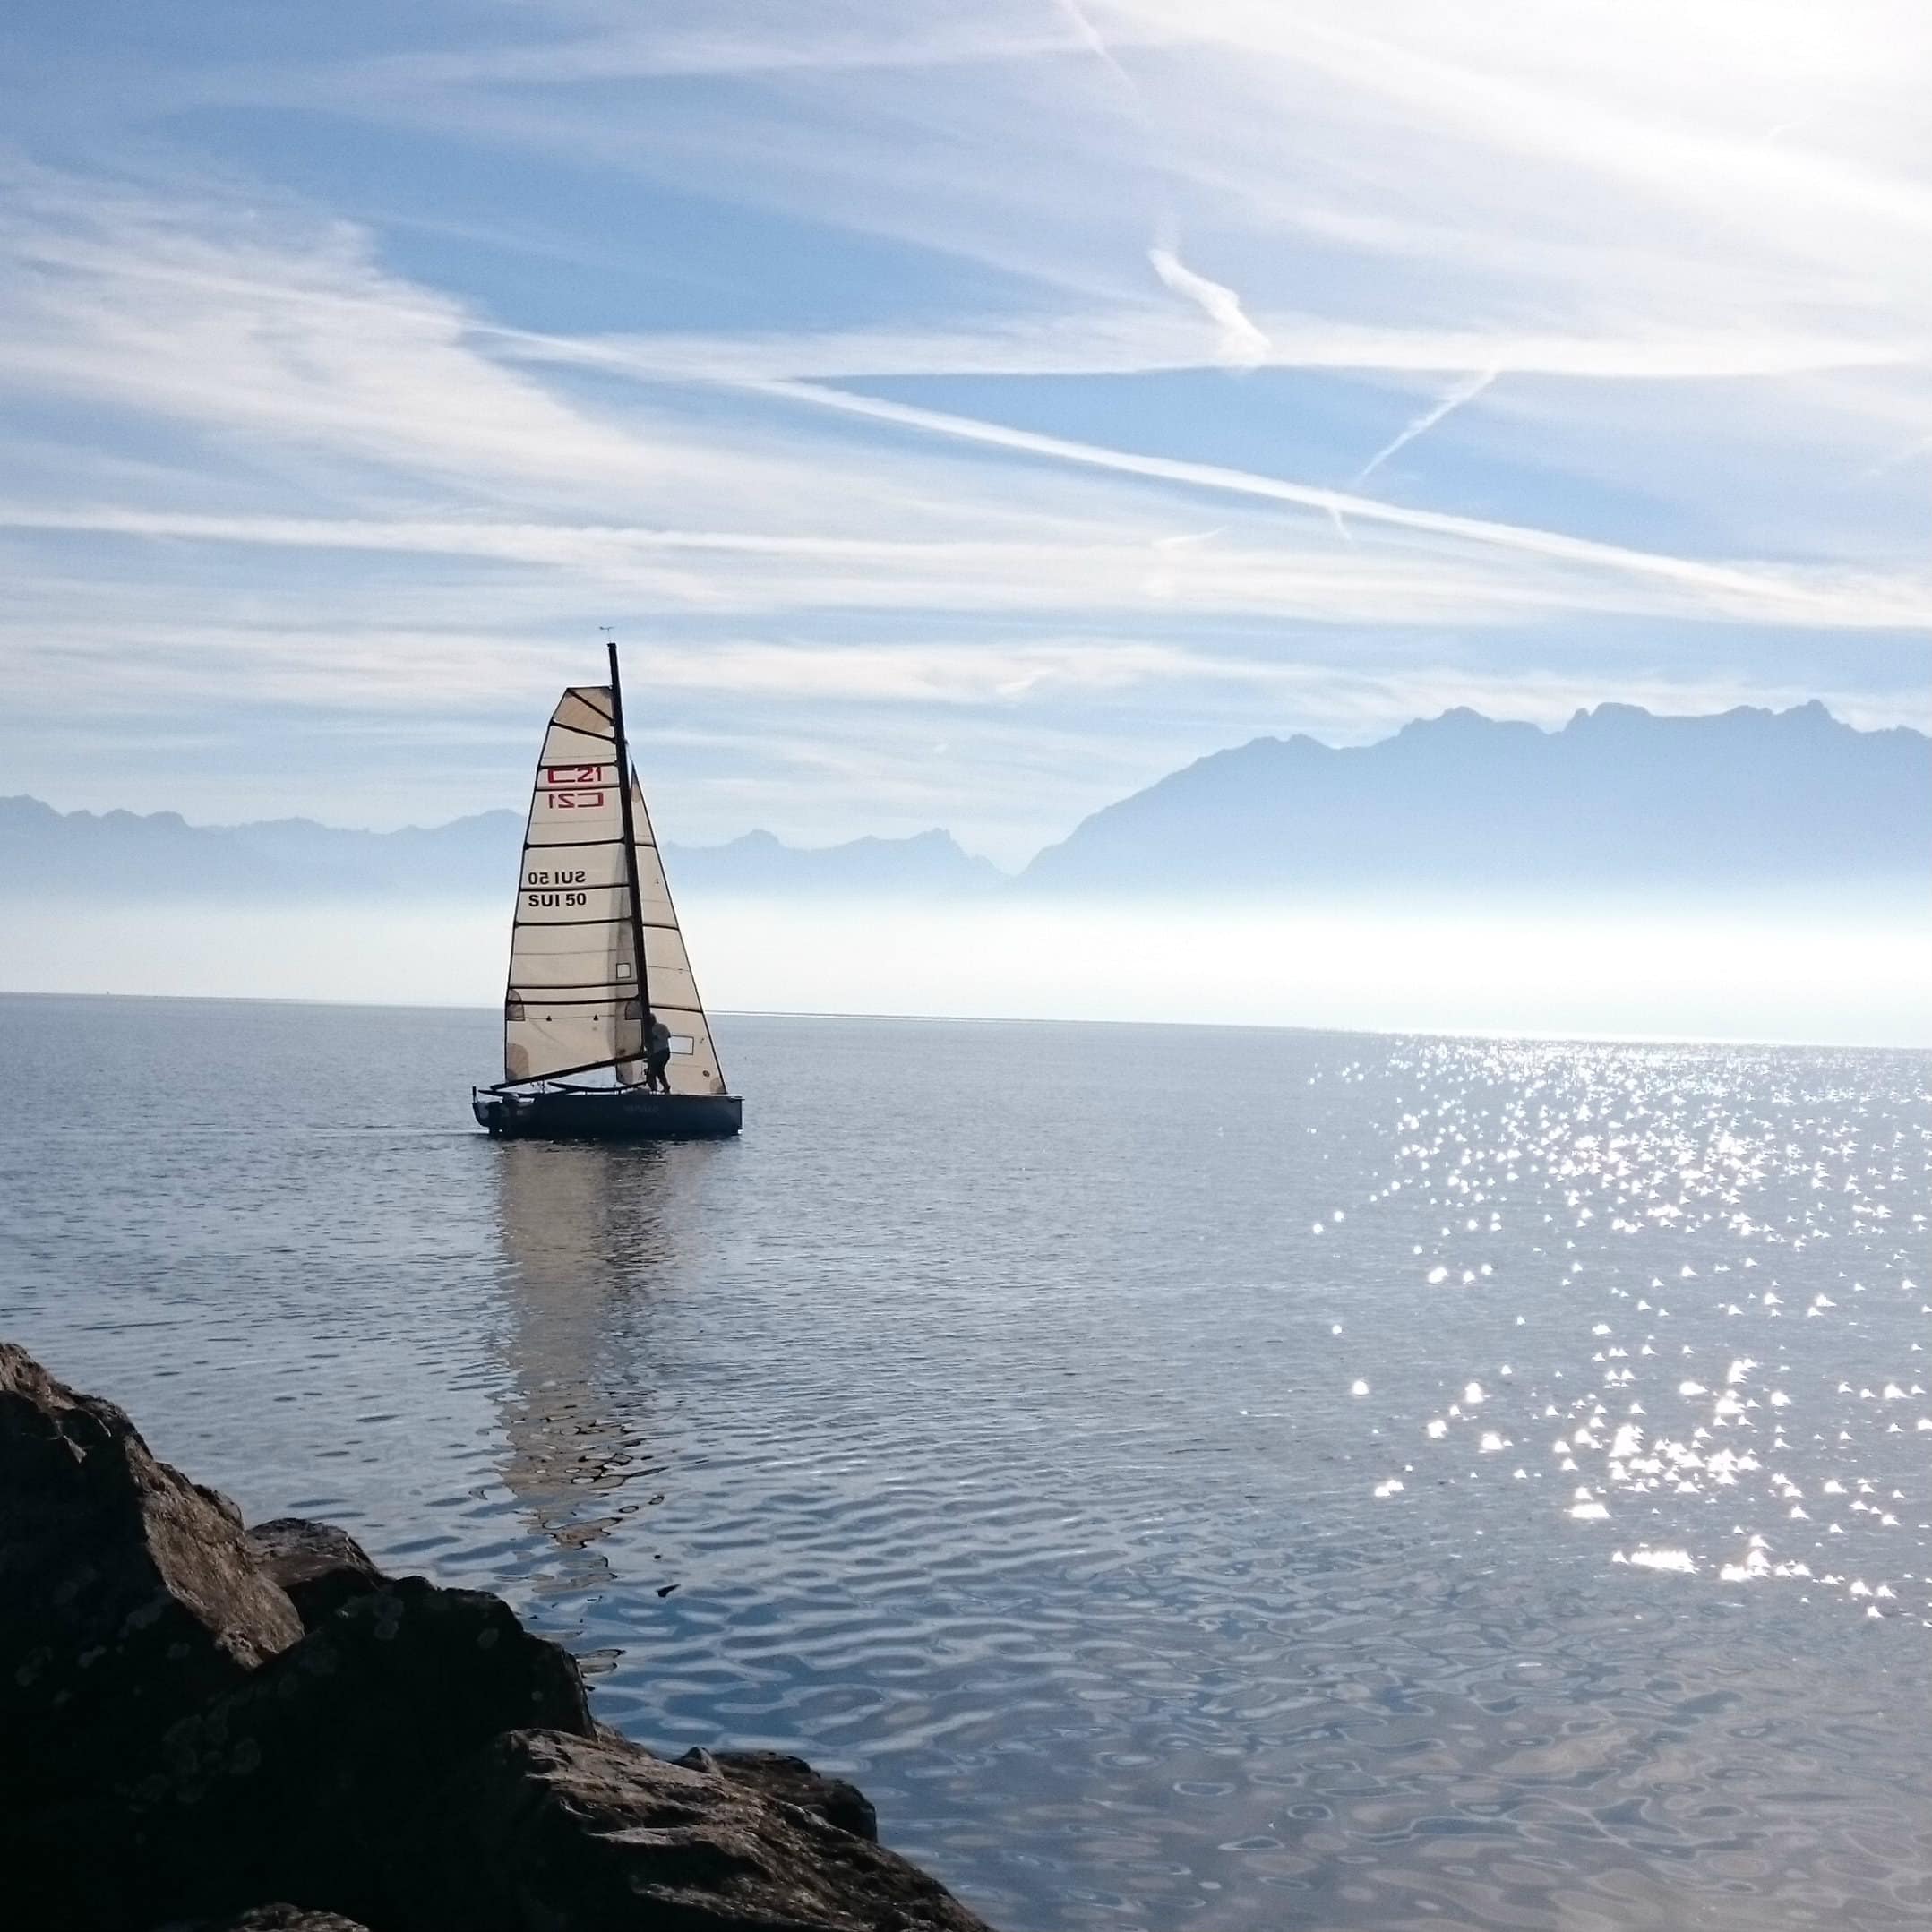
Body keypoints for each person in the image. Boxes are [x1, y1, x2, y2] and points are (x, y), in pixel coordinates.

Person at [644, 1009, 672, 1093]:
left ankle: (655, 1090)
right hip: (655, 1054)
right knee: (659, 1071)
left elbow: (668, 1035)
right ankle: (664, 1087)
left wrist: (654, 1037)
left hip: (662, 1052)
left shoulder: (661, 1027)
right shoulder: (646, 1030)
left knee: (652, 1072)